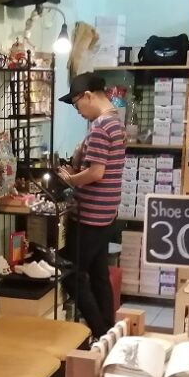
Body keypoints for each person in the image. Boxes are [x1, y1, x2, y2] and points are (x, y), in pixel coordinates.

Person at [57, 72, 127, 339]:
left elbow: (96, 173)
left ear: (87, 96)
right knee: (98, 274)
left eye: (77, 105)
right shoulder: (115, 122)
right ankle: (109, 333)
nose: (77, 112)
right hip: (107, 213)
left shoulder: (99, 127)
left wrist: (69, 180)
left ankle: (99, 331)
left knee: (70, 273)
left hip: (90, 214)